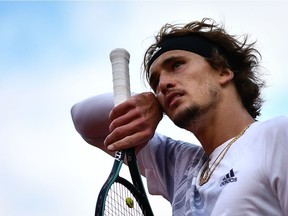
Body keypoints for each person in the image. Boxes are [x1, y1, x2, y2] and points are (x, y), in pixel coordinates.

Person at [71, 18, 288, 215]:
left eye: (177, 65)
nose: (163, 85)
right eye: (155, 83)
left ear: (223, 71)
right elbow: (82, 119)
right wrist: (146, 102)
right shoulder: (181, 166)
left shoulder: (277, 136)